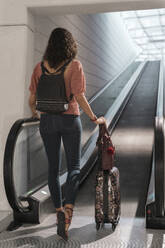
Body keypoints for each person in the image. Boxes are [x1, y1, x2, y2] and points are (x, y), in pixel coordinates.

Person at [28, 27, 107, 240]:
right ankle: (69, 210)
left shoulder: (39, 67)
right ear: (70, 45)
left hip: (47, 121)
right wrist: (93, 118)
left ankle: (58, 212)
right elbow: (79, 97)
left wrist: (36, 114)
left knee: (53, 169)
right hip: (70, 119)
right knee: (74, 166)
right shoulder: (74, 66)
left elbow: (32, 100)